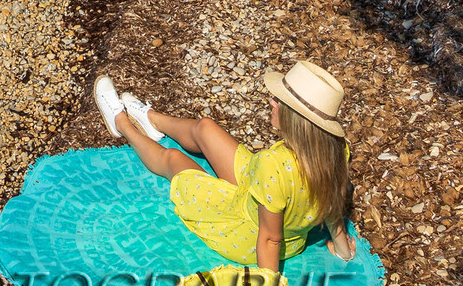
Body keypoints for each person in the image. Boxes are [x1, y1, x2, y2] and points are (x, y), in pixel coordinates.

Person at [93, 60, 356, 274]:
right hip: (264, 194)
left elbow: (270, 239)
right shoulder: (334, 151)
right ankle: (151, 120)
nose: (271, 102)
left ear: (297, 119)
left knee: (174, 160)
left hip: (246, 233)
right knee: (206, 128)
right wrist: (342, 247)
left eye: (279, 101)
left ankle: (122, 123)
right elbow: (332, 201)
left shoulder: (274, 165)